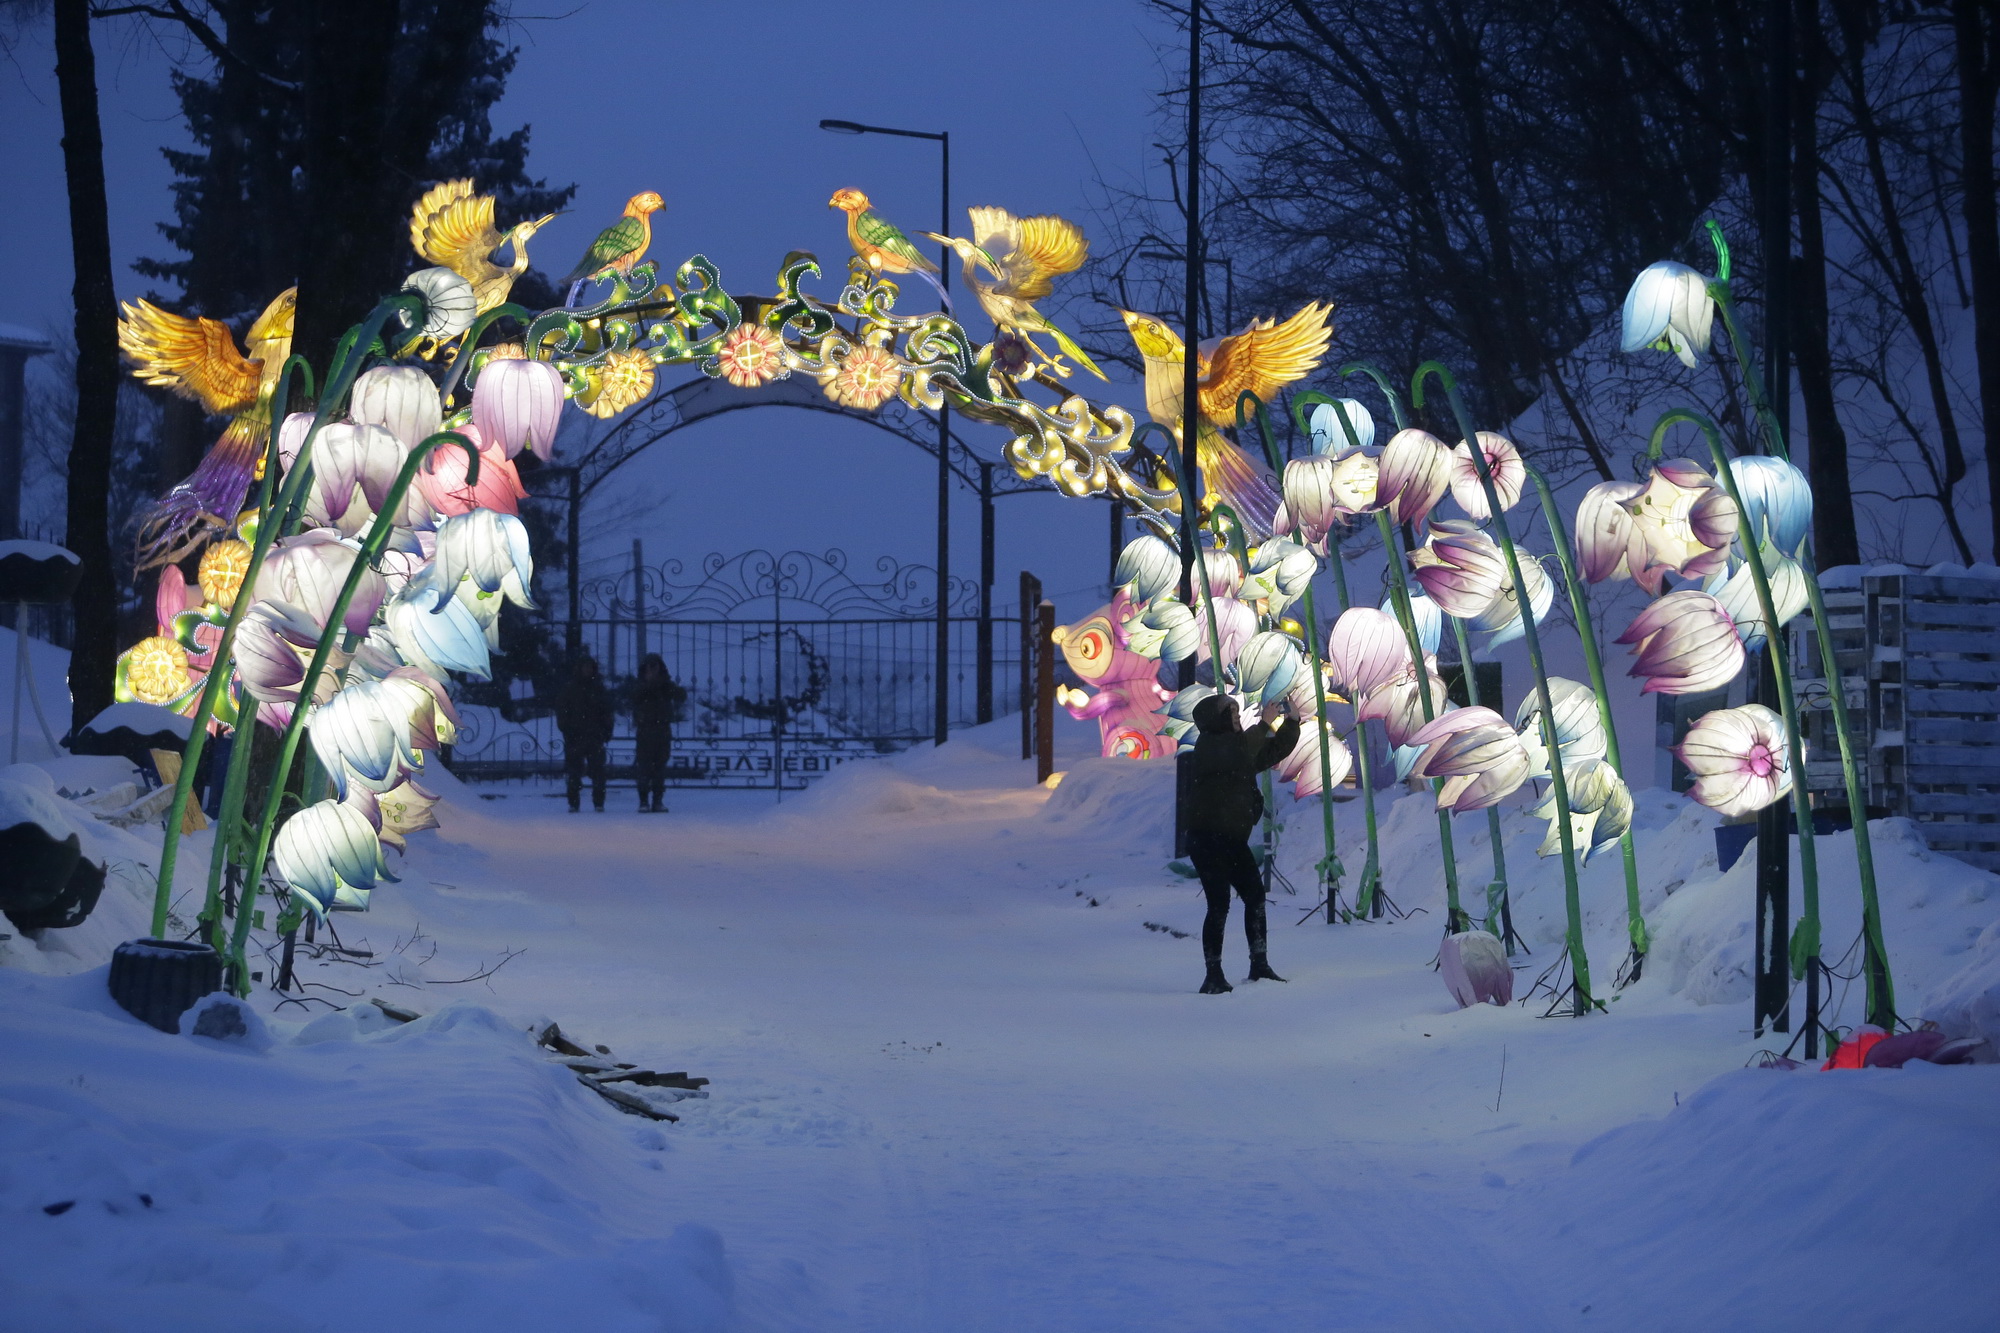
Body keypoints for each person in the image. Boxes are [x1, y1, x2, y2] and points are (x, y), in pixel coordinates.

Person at [1185, 693, 1300, 994]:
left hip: (1232, 840)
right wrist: (1264, 723)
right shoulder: (1211, 745)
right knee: (1219, 904)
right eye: (1232, 715)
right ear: (1217, 721)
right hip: (1207, 840)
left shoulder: (1237, 750)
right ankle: (1213, 975)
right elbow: (1242, 747)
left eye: (1238, 714)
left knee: (1254, 896)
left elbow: (1272, 751)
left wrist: (1292, 721)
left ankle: (1259, 963)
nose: (1237, 719)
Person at [555, 656, 615, 812]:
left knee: (598, 772)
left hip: (594, 736)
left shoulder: (598, 689)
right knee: (574, 772)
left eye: (590, 667)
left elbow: (607, 712)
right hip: (576, 736)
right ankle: (574, 803)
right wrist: (568, 730)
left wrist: (606, 731)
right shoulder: (571, 689)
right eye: (585, 667)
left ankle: (599, 803)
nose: (588, 670)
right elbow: (562, 712)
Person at [630, 653, 686, 813]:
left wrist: (663, 682)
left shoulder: (665, 685)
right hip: (645, 731)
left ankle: (657, 800)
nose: (652, 669)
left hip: (662, 731)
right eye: (650, 665)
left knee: (659, 768)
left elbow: (681, 695)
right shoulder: (640, 685)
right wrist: (649, 683)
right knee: (644, 768)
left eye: (655, 665)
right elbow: (634, 697)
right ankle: (643, 801)